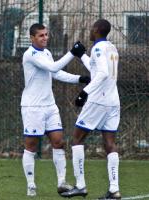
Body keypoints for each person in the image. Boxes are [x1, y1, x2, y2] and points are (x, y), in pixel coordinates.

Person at [21, 23, 89, 197]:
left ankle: (61, 183)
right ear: (32, 38)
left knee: (58, 142)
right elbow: (53, 67)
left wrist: (80, 78)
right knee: (31, 146)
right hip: (33, 107)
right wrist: (73, 53)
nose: (45, 38)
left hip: (50, 106)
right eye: (41, 35)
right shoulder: (30, 54)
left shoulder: (47, 53)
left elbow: (56, 73)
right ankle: (31, 185)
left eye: (46, 34)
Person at [60, 19, 121, 199]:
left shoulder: (97, 48)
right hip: (113, 101)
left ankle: (80, 186)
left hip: (97, 101)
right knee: (109, 143)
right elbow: (98, 68)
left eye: (91, 28)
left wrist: (84, 93)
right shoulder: (111, 47)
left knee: (77, 138)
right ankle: (114, 190)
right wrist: (82, 55)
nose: (90, 31)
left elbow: (101, 73)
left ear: (96, 30)